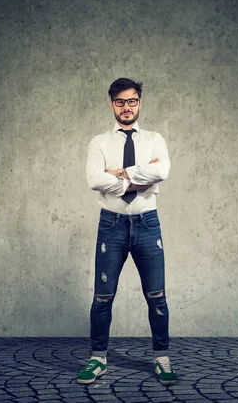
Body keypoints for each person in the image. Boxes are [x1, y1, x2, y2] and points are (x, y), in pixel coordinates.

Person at [78, 78, 177, 385]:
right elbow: (94, 179)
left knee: (156, 296)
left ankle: (162, 358)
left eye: (131, 101)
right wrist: (137, 180)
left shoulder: (154, 139)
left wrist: (120, 174)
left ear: (139, 103)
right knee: (102, 297)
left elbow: (162, 171)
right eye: (120, 102)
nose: (126, 107)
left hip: (148, 223)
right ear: (112, 105)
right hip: (112, 225)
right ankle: (98, 359)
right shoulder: (99, 142)